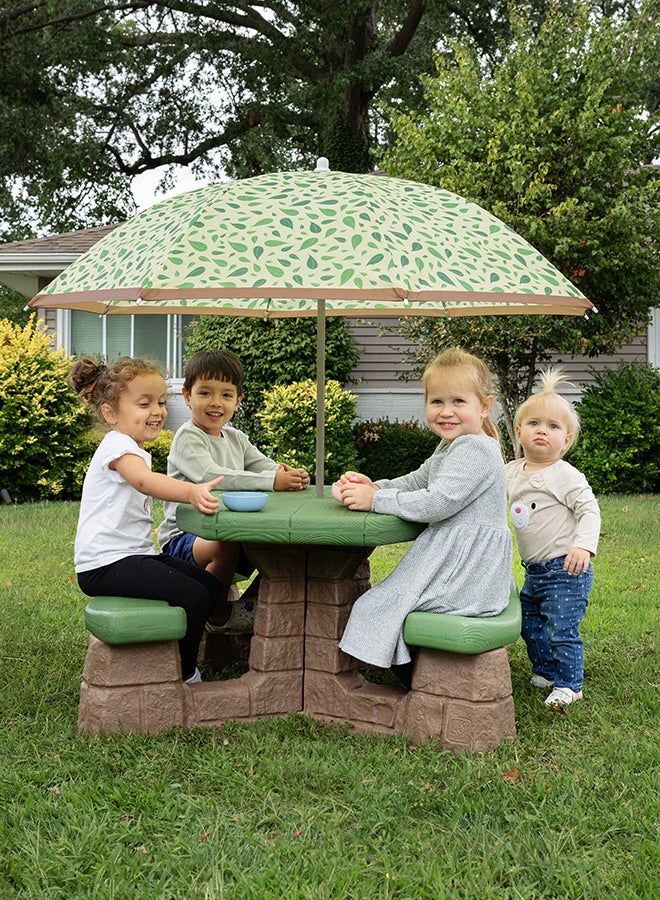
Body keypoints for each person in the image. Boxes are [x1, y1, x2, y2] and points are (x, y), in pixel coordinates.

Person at [336, 348, 512, 690]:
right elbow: (419, 481)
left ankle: (418, 683)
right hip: (451, 559)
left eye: (458, 401)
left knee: (377, 604)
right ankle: (414, 673)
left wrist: (376, 501)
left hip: (467, 572)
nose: (446, 412)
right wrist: (374, 486)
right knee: (383, 601)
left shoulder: (476, 449)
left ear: (485, 406)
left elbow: (437, 502)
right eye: (437, 402)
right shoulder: (452, 446)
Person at [72, 356, 227, 685]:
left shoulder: (131, 446)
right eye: (144, 403)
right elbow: (144, 481)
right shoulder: (118, 446)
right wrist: (190, 491)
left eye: (160, 401)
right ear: (110, 413)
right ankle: (185, 675)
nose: (157, 411)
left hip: (132, 556)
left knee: (211, 586)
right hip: (105, 565)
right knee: (195, 596)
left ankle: (168, 648)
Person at [157, 349, 309, 633]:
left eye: (226, 395)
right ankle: (216, 613)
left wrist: (286, 474)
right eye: (205, 393)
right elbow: (213, 476)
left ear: (238, 401)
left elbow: (262, 466)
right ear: (187, 396)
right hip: (185, 539)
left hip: (234, 530)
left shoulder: (236, 438)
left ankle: (252, 607)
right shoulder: (188, 437)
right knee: (223, 546)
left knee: (286, 548)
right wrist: (271, 481)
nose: (216, 403)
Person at [506, 367, 600, 708]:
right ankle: (545, 671)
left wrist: (583, 546)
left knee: (561, 628)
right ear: (519, 431)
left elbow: (589, 510)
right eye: (533, 423)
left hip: (566, 568)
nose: (542, 431)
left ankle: (569, 685)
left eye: (553, 426)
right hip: (534, 571)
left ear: (567, 440)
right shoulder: (512, 472)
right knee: (529, 622)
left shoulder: (566, 475)